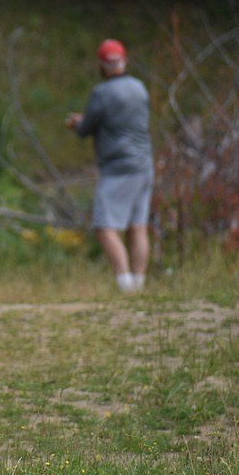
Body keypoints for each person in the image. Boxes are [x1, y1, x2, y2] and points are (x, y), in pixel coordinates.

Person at [65, 38, 155, 293]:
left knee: (104, 227)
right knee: (138, 225)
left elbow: (86, 129)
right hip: (144, 163)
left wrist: (76, 123)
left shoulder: (101, 93)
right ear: (124, 61)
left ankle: (124, 285)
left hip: (118, 166)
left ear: (102, 66)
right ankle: (139, 283)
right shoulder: (140, 88)